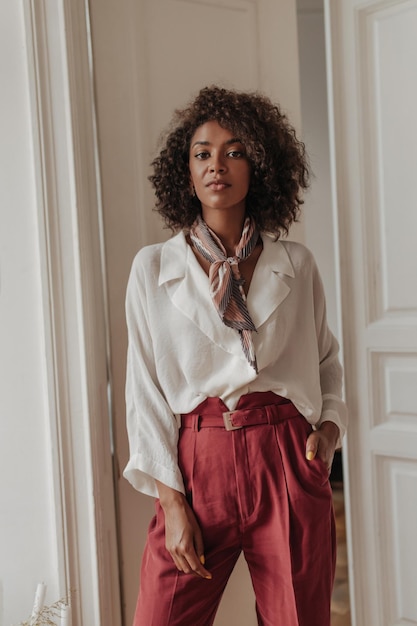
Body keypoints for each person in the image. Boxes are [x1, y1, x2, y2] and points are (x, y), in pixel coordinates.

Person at [123, 85, 348, 626]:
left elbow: (326, 362)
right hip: (199, 463)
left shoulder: (296, 262)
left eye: (234, 151)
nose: (217, 165)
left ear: (260, 166)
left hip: (288, 455)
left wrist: (329, 432)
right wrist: (172, 502)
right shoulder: (154, 269)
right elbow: (145, 390)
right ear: (186, 170)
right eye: (202, 153)